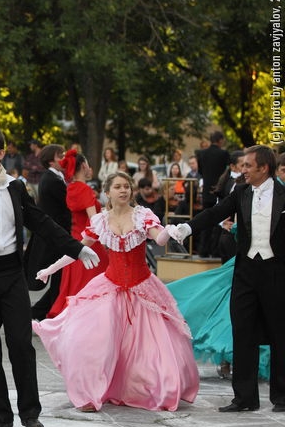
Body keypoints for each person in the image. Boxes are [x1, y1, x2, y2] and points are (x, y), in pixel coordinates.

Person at [0, 126, 98, 427]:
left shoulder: (15, 187)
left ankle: (30, 413)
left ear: (1, 153)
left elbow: (40, 221)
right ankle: (1, 416)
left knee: (21, 344)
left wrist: (76, 248)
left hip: (11, 273)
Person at [32, 171, 199, 412]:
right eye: (118, 187)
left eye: (126, 187)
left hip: (142, 287)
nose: (123, 190)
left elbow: (160, 240)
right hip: (110, 286)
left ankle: (147, 389)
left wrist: (172, 230)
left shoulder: (142, 215)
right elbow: (77, 249)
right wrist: (50, 269)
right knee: (94, 342)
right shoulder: (100, 221)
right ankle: (92, 393)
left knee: (148, 348)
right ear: (107, 192)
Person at [169, 145, 284, 413]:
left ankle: (282, 396)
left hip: (277, 272)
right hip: (245, 272)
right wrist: (187, 228)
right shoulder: (241, 192)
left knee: (280, 333)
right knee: (242, 332)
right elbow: (215, 213)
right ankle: (244, 398)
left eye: (248, 165)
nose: (242, 170)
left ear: (263, 168)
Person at [47, 152, 109, 319]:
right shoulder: (84, 189)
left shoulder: (71, 188)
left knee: (76, 285)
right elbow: (94, 220)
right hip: (90, 242)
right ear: (83, 166)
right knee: (94, 285)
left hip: (75, 241)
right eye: (87, 164)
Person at [24, 144, 69, 320]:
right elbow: (66, 207)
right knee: (59, 279)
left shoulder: (55, 177)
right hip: (55, 237)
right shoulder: (52, 180)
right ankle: (41, 314)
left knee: (60, 279)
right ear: (51, 161)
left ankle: (38, 313)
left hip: (55, 235)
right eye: (60, 156)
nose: (64, 158)